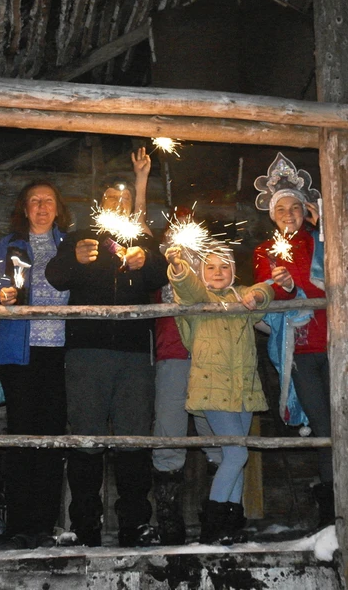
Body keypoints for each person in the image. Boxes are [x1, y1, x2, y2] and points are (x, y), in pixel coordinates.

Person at [44, 149, 168, 548]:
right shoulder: (80, 239)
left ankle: (134, 525)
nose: (119, 204)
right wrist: (77, 260)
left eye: (126, 199)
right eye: (113, 199)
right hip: (86, 354)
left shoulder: (141, 241)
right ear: (101, 205)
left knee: (133, 441)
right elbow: (56, 276)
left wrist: (144, 257)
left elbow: (161, 272)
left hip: (135, 357)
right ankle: (85, 526)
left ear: (133, 207)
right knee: (86, 439)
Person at [164, 246, 276, 544]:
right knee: (237, 453)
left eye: (224, 267)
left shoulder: (241, 295)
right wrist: (178, 266)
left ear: (234, 271)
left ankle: (231, 524)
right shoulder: (200, 299)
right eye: (210, 267)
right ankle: (212, 526)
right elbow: (186, 287)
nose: (217, 272)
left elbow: (265, 290)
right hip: (212, 389)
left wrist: (257, 295)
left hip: (243, 389)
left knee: (235, 455)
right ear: (201, 272)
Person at [252, 152, 336, 527]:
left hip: (338, 344)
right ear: (272, 214)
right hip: (300, 349)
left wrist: (327, 228)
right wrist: (282, 287)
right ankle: (334, 502)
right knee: (324, 425)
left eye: (295, 207)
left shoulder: (325, 239)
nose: (289, 213)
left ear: (306, 210)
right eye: (281, 208)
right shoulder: (264, 252)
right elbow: (271, 297)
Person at [0, 180, 72, 549]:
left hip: (61, 351)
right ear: (24, 208)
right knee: (23, 434)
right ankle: (19, 523)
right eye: (34, 201)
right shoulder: (7, 245)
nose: (41, 207)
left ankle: (45, 522)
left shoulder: (69, 244)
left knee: (52, 436)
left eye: (48, 201)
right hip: (20, 350)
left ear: (58, 208)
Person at [151, 211, 222, 546]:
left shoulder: (213, 262)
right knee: (168, 433)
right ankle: (168, 520)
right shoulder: (155, 263)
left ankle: (219, 513)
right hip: (172, 354)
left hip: (210, 356)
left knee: (216, 433)